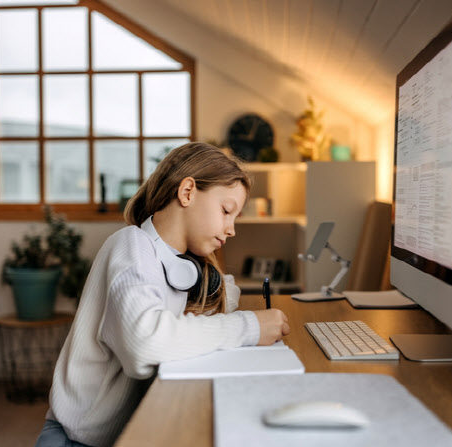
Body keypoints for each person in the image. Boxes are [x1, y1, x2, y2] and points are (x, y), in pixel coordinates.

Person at [35, 142, 291, 447]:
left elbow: (224, 295)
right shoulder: (132, 246)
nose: (231, 229)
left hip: (128, 434)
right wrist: (251, 327)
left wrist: (212, 282)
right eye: (226, 211)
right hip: (77, 440)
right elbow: (146, 342)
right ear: (187, 193)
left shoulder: (183, 265)